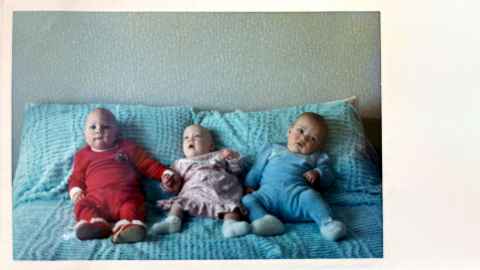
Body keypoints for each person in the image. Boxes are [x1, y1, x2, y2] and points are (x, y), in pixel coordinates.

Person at [68, 108, 178, 244]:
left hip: (126, 196)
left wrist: (164, 173)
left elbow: (148, 165)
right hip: (96, 199)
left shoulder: (127, 147)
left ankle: (129, 228)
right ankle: (95, 225)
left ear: (116, 133)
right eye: (93, 127)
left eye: (106, 127)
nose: (98, 130)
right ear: (85, 133)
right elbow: (76, 177)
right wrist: (76, 191)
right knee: (82, 205)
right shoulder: (82, 155)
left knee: (134, 206)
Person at [241, 112, 347, 241]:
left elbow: (329, 177)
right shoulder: (272, 149)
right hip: (267, 199)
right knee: (247, 200)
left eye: (313, 139)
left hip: (297, 202)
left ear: (318, 147)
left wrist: (318, 173)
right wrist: (249, 185)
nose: (304, 139)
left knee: (311, 196)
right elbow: (256, 169)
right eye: (301, 131)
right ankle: (265, 221)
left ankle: (327, 224)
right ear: (289, 131)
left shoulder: (316, 157)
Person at [152, 124, 250, 238]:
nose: (190, 139)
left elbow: (236, 171)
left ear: (211, 146)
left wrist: (232, 159)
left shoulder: (218, 155)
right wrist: (168, 182)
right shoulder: (180, 163)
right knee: (178, 203)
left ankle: (231, 225)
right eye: (186, 138)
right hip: (194, 193)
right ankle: (172, 222)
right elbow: (175, 185)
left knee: (233, 207)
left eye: (197, 136)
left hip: (223, 191)